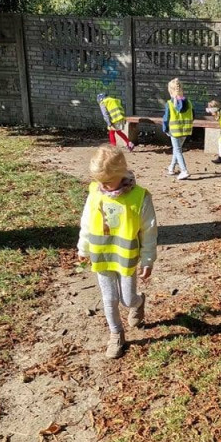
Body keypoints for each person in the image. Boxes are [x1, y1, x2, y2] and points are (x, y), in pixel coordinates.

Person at [77, 145, 157, 358]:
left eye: (107, 181)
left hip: (126, 258)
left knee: (127, 299)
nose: (102, 186)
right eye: (98, 181)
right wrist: (83, 248)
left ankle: (139, 302)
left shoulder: (140, 197)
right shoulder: (95, 192)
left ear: (121, 174)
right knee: (109, 298)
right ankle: (116, 334)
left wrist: (148, 259)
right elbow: (86, 221)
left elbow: (149, 231)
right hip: (101, 254)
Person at [163, 78, 194, 180]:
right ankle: (171, 168)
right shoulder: (189, 102)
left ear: (170, 91)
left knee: (178, 150)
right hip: (186, 130)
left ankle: (184, 170)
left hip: (174, 131)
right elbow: (193, 115)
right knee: (177, 149)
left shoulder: (169, 103)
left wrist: (165, 128)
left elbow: (166, 118)